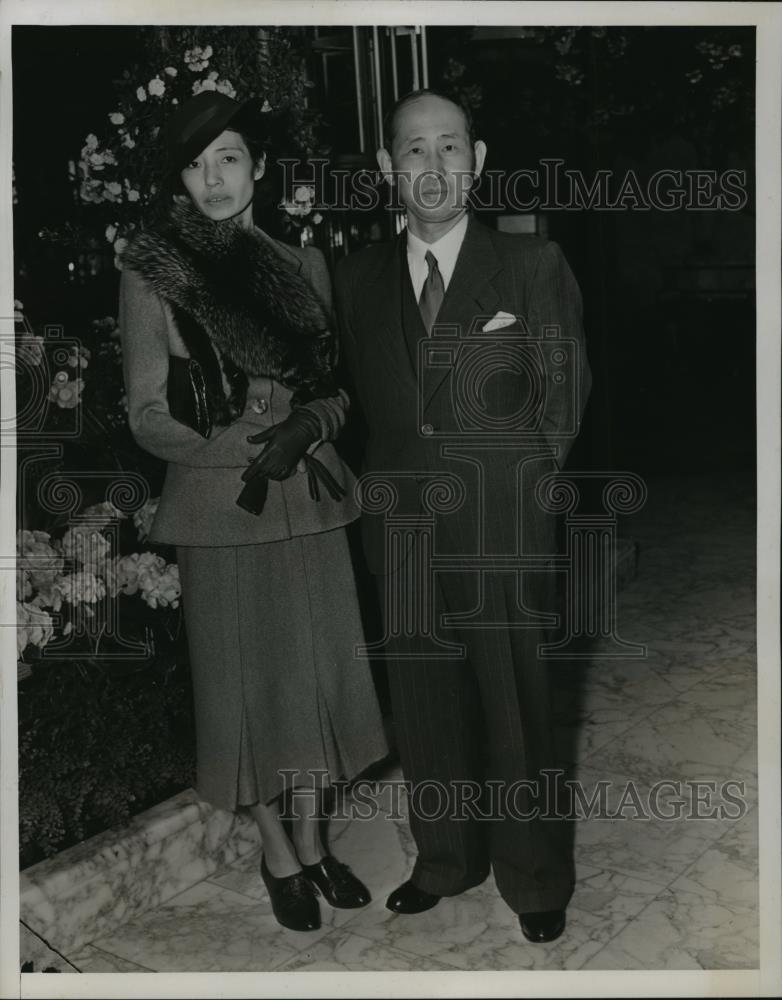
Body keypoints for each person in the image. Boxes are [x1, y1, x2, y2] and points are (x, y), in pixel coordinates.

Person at [118, 91, 388, 933]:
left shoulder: (303, 265)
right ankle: (277, 852)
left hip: (309, 497)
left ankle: (313, 843)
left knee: (313, 681)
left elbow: (338, 391)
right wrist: (237, 449)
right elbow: (145, 414)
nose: (214, 179)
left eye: (228, 159)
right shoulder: (154, 271)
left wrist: (312, 424)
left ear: (259, 168)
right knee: (244, 689)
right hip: (220, 510)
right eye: (196, 167)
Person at [334, 89, 592, 943]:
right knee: (425, 703)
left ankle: (533, 877)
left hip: (503, 524)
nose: (433, 167)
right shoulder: (358, 279)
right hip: (400, 529)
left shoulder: (529, 264)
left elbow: (564, 393)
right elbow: (356, 396)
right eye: (414, 150)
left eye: (451, 148)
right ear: (387, 170)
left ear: (476, 163)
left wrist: (523, 491)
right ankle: (445, 858)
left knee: (516, 706)